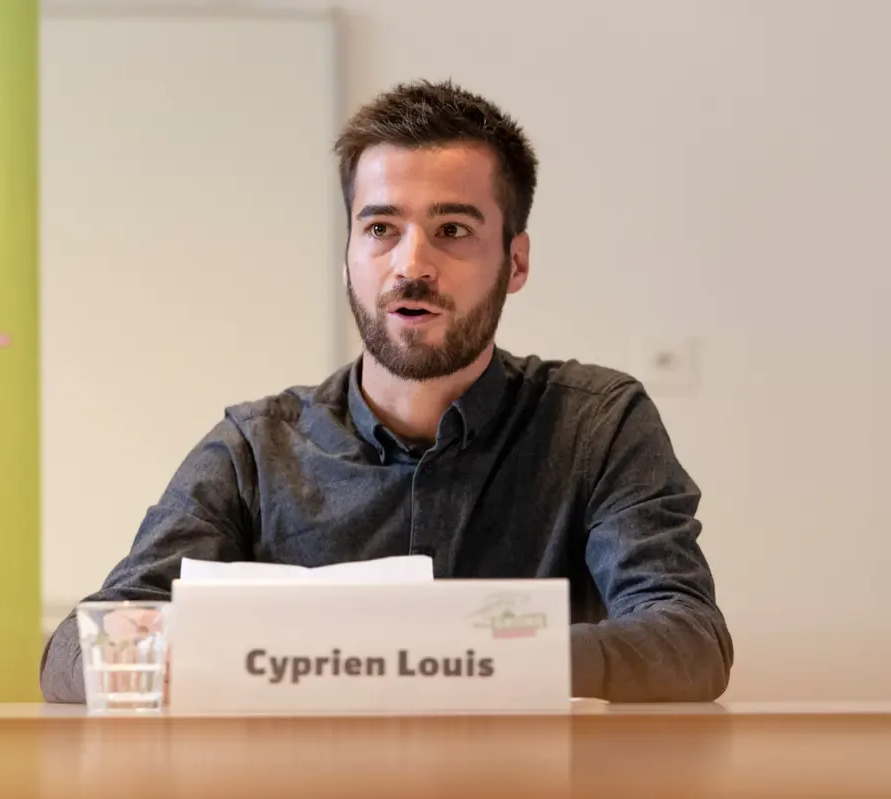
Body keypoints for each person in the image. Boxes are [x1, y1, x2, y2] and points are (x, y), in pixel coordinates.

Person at [40, 79, 733, 703]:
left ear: (515, 262)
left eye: (452, 230)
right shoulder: (255, 448)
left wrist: (439, 655)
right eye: (380, 229)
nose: (412, 265)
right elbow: (74, 651)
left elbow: (689, 641)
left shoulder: (597, 425)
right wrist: (263, 657)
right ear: (349, 255)